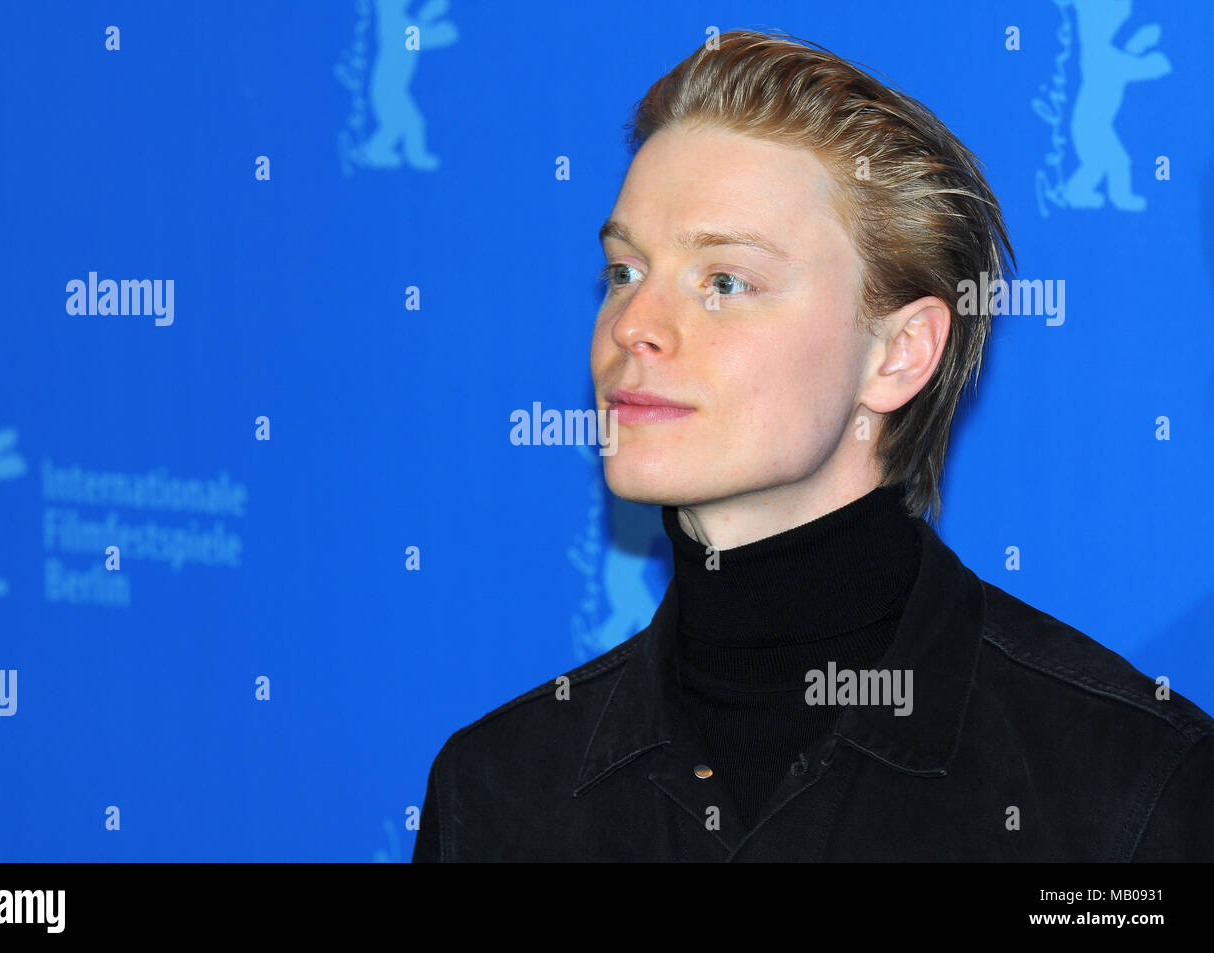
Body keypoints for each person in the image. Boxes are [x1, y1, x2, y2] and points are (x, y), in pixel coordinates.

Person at [412, 30, 1213, 862]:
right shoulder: (499, 788)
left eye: (725, 281)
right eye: (624, 271)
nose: (633, 325)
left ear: (897, 354)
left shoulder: (1126, 791)